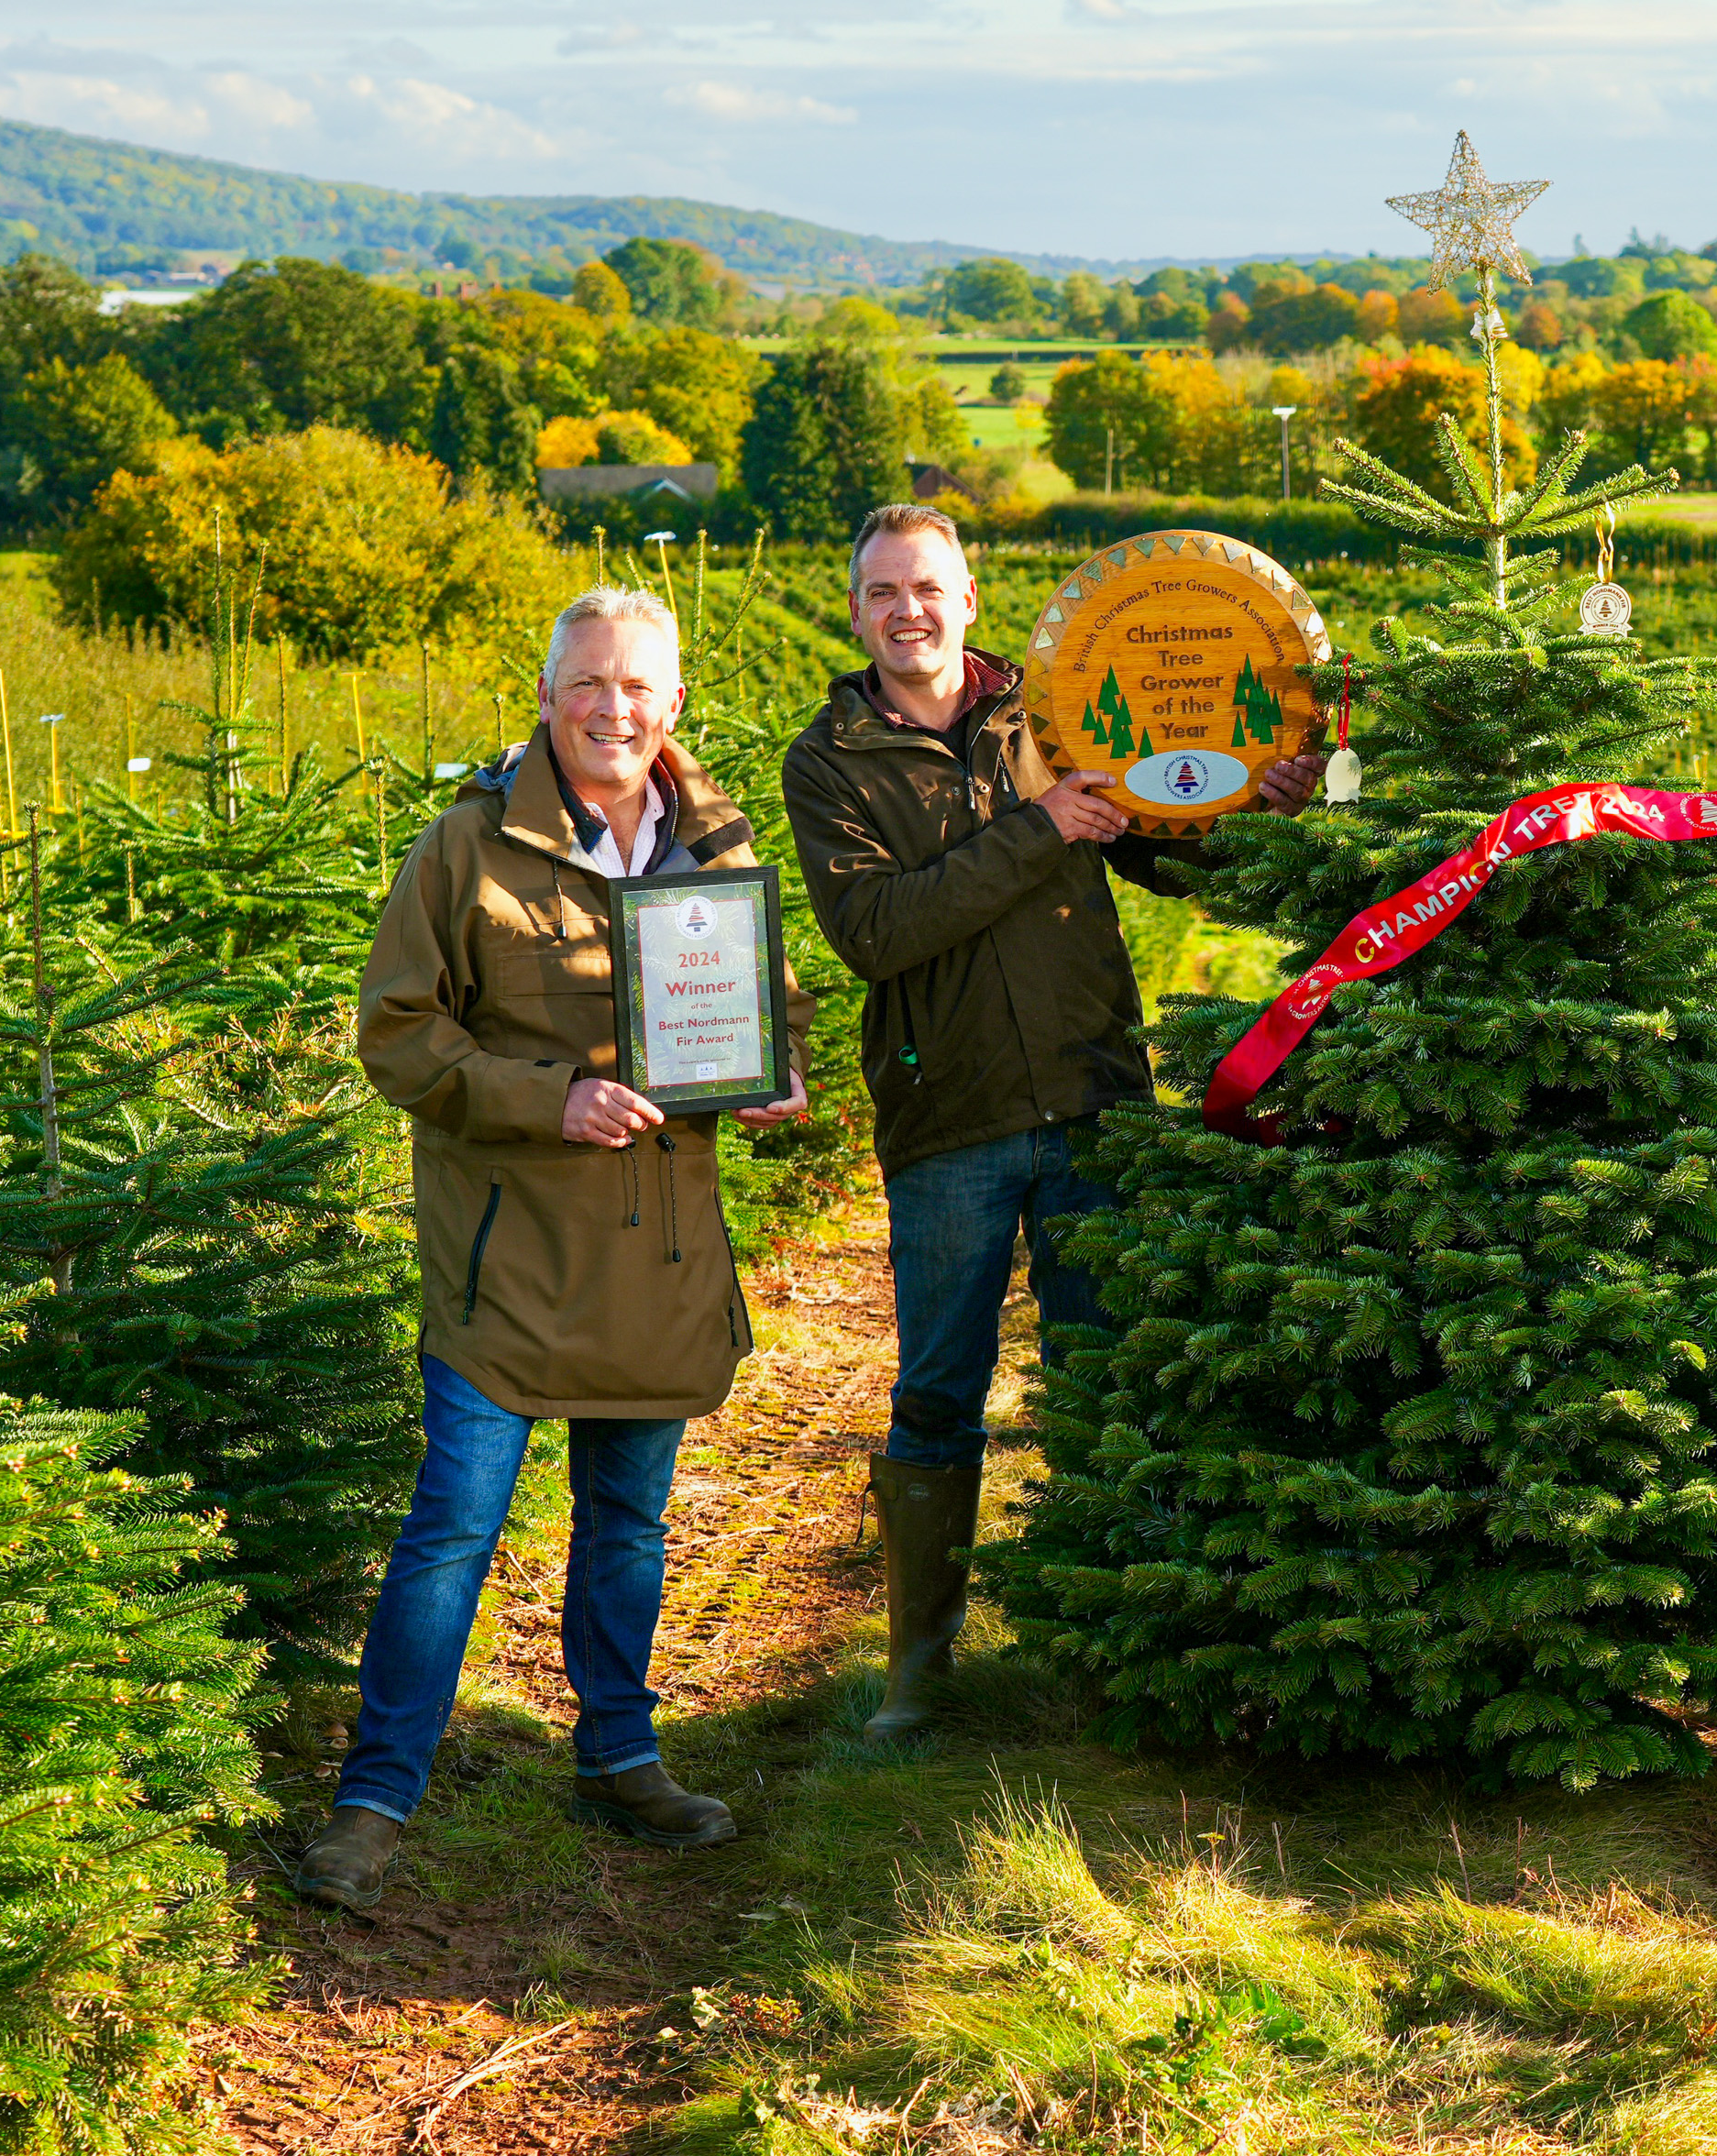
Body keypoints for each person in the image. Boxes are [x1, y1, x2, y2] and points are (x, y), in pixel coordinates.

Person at [295, 587, 814, 1911]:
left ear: (673, 703)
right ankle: (376, 1793)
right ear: (546, 696)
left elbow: (771, 1010)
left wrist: (777, 1079)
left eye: (639, 685)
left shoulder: (716, 847)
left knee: (629, 1518)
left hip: (658, 1257)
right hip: (510, 1258)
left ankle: (619, 1756)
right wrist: (551, 1098)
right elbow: (400, 1035)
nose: (613, 707)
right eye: (588, 682)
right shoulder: (463, 852)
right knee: (454, 1528)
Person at [780, 503, 1323, 1739]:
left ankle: (1108, 1644)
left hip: (1091, 1099)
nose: (907, 610)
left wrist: (1259, 804)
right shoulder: (831, 760)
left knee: (1103, 1376)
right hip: (950, 1116)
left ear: (970, 598)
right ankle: (922, 1672)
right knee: (937, 1393)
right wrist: (1038, 830)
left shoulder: (1060, 708)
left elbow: (1172, 857)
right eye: (883, 593)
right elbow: (875, 933)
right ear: (858, 611)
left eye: (928, 587)